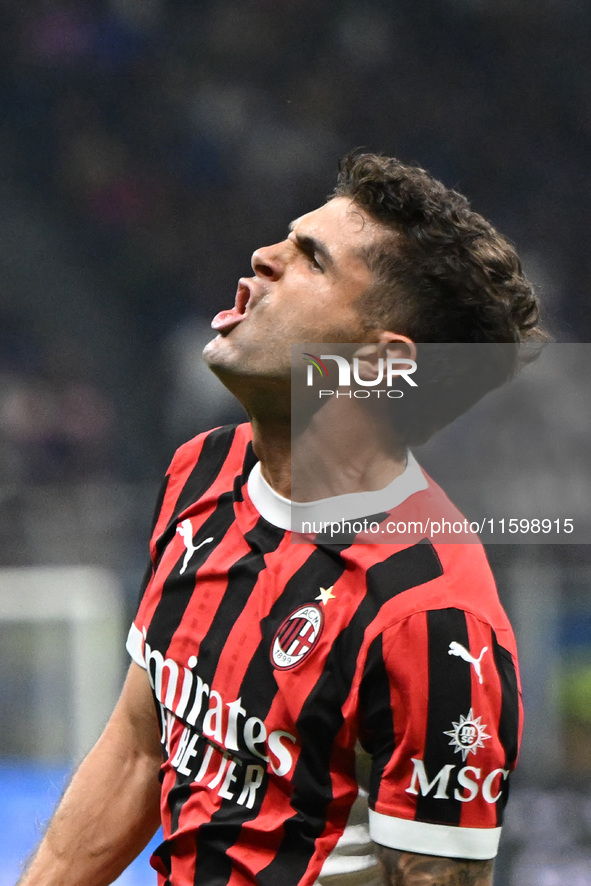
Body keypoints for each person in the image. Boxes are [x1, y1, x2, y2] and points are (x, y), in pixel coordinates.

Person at [18, 153, 545, 886]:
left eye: (311, 261)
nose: (263, 257)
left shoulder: (432, 616)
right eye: (285, 240)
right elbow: (143, 746)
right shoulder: (201, 472)